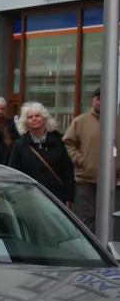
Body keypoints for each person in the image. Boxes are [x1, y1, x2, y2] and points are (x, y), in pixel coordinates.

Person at [9, 101, 75, 206]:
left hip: (55, 196)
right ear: (26, 122)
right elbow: (14, 172)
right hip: (29, 197)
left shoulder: (57, 142)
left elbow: (67, 170)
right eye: (30, 117)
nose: (34, 119)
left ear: (44, 119)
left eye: (37, 116)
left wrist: (69, 197)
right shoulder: (20, 145)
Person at [61, 89, 108, 227]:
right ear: (93, 100)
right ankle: (90, 246)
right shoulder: (81, 121)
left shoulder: (116, 122)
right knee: (90, 215)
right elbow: (68, 144)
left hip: (111, 180)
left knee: (108, 217)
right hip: (86, 178)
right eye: (98, 98)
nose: (101, 102)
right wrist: (81, 161)